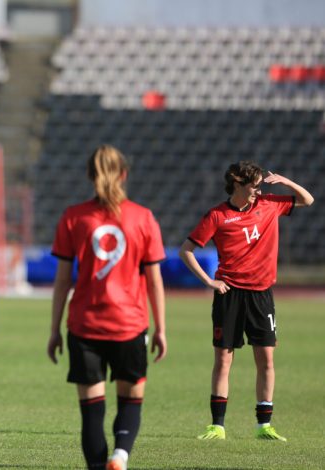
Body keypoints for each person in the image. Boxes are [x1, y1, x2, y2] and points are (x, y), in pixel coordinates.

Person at [47, 144, 167, 470]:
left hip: (84, 325)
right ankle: (121, 455)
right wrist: (161, 330)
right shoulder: (143, 218)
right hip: (130, 324)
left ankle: (101, 465)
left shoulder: (73, 217)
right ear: (124, 174)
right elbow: (155, 281)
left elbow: (62, 282)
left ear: (89, 175)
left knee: (91, 412)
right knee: (130, 401)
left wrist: (54, 330)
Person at [179, 161, 313, 442]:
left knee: (266, 360)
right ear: (237, 184)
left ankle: (264, 425)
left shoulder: (269, 204)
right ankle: (217, 426)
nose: (258, 190)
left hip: (262, 295)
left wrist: (286, 181)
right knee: (223, 360)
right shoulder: (217, 215)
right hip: (229, 294)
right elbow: (186, 250)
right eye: (254, 185)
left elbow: (307, 200)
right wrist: (208, 281)